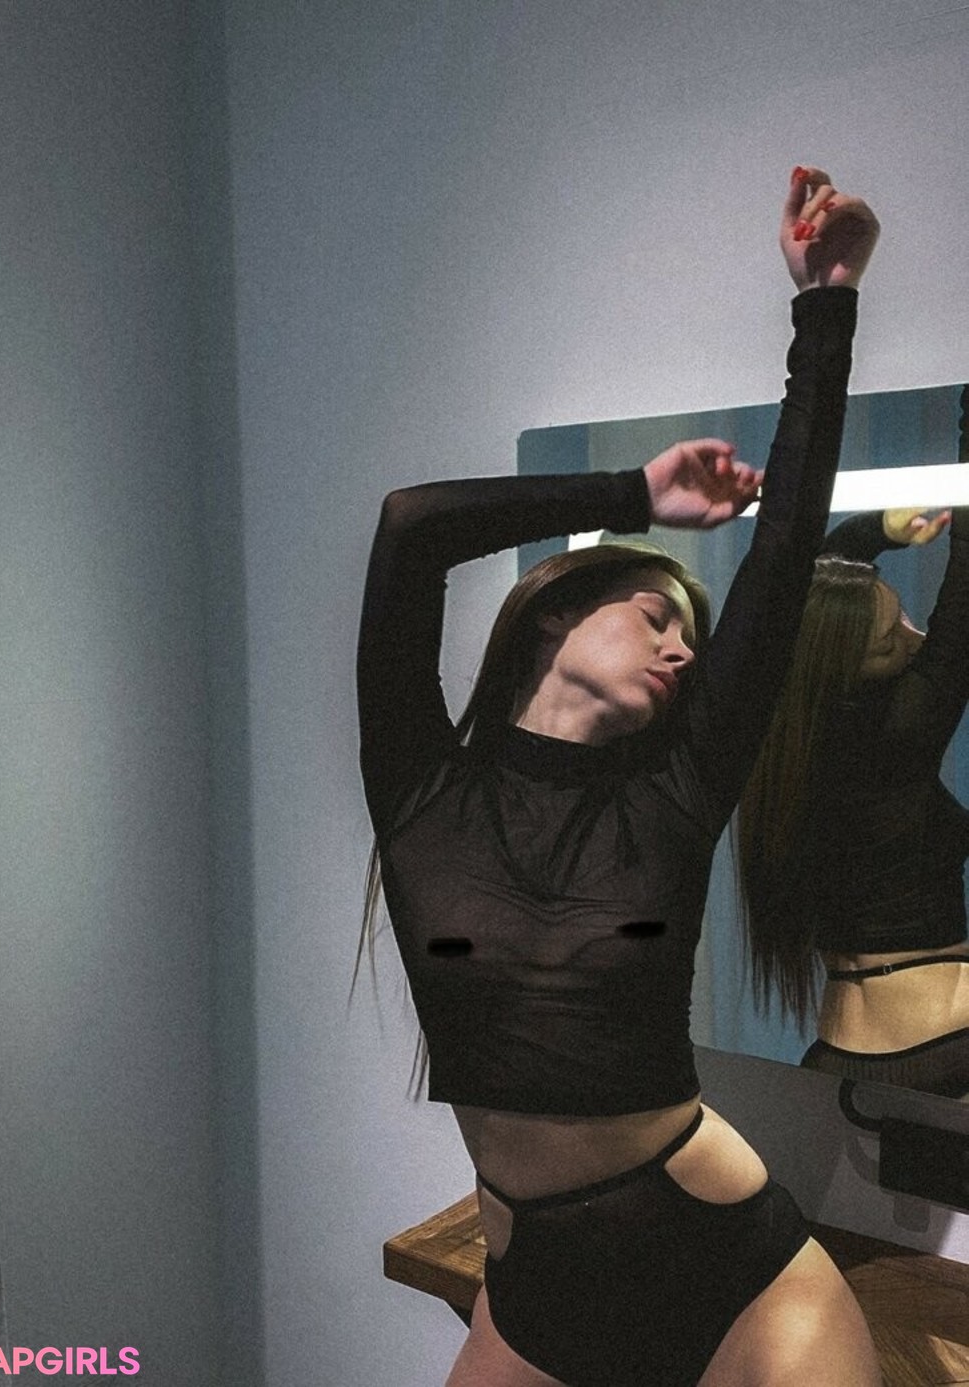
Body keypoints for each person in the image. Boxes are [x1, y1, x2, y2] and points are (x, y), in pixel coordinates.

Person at [357, 168, 882, 1386]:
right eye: (653, 614)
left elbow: (785, 554)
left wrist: (826, 304)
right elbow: (411, 528)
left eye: (690, 637)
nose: (682, 650)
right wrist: (635, 496)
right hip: (535, 1287)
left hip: (736, 1276)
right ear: (554, 617)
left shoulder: (673, 794)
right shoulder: (423, 785)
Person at [738, 496, 969, 1100]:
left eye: (904, 616)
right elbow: (962, 612)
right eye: (890, 642)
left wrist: (877, 530)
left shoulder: (785, 739)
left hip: (837, 1051)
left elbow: (818, 592)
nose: (916, 640)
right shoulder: (897, 733)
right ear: (840, 662)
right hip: (946, 1035)